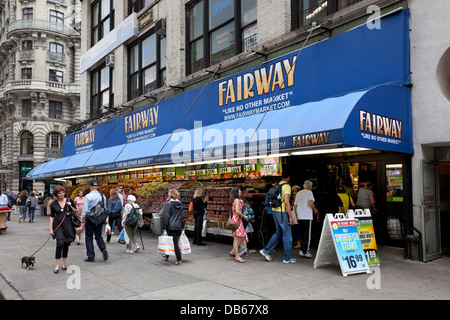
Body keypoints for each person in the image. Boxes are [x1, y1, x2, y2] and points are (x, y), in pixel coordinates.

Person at [260, 171, 296, 264]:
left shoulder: (277, 184)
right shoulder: (286, 186)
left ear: (281, 176)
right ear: (288, 177)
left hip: (275, 211)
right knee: (287, 235)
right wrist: (291, 217)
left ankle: (266, 250)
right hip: (282, 212)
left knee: (278, 232)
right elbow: (287, 202)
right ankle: (287, 258)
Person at [49, 185, 77, 274]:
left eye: (63, 192)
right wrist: (50, 229)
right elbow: (51, 217)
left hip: (68, 225)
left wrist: (71, 206)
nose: (62, 194)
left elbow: (76, 211)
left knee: (66, 244)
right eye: (60, 193)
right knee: (60, 243)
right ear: (56, 195)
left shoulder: (69, 201)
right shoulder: (53, 204)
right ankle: (57, 264)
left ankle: (63, 264)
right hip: (58, 226)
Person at [81, 181, 109, 262]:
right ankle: (103, 247)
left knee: (89, 237)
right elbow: (104, 208)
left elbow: (85, 210)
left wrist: (83, 222)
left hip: (90, 219)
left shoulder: (88, 196)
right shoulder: (102, 196)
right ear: (97, 187)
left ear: (90, 187)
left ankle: (91, 256)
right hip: (99, 219)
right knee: (98, 235)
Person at [294, 180, 319, 259]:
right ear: (309, 187)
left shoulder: (298, 193)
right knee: (307, 234)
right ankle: (305, 251)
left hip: (300, 215)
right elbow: (311, 203)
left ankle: (302, 249)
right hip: (307, 215)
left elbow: (295, 206)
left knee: (302, 233)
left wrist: (297, 216)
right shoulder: (309, 193)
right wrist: (315, 209)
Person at [161, 189, 185, 265]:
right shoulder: (180, 204)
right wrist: (182, 226)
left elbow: (166, 216)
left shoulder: (169, 204)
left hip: (171, 226)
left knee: (174, 242)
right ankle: (166, 255)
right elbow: (182, 216)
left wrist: (164, 227)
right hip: (178, 225)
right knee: (172, 240)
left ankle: (179, 259)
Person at [228, 187, 248, 263]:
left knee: (241, 237)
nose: (240, 192)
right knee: (238, 238)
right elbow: (237, 211)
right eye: (239, 191)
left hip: (237, 220)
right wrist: (244, 215)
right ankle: (237, 256)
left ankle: (234, 251)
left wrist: (241, 204)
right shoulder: (236, 200)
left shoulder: (236, 200)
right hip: (237, 220)